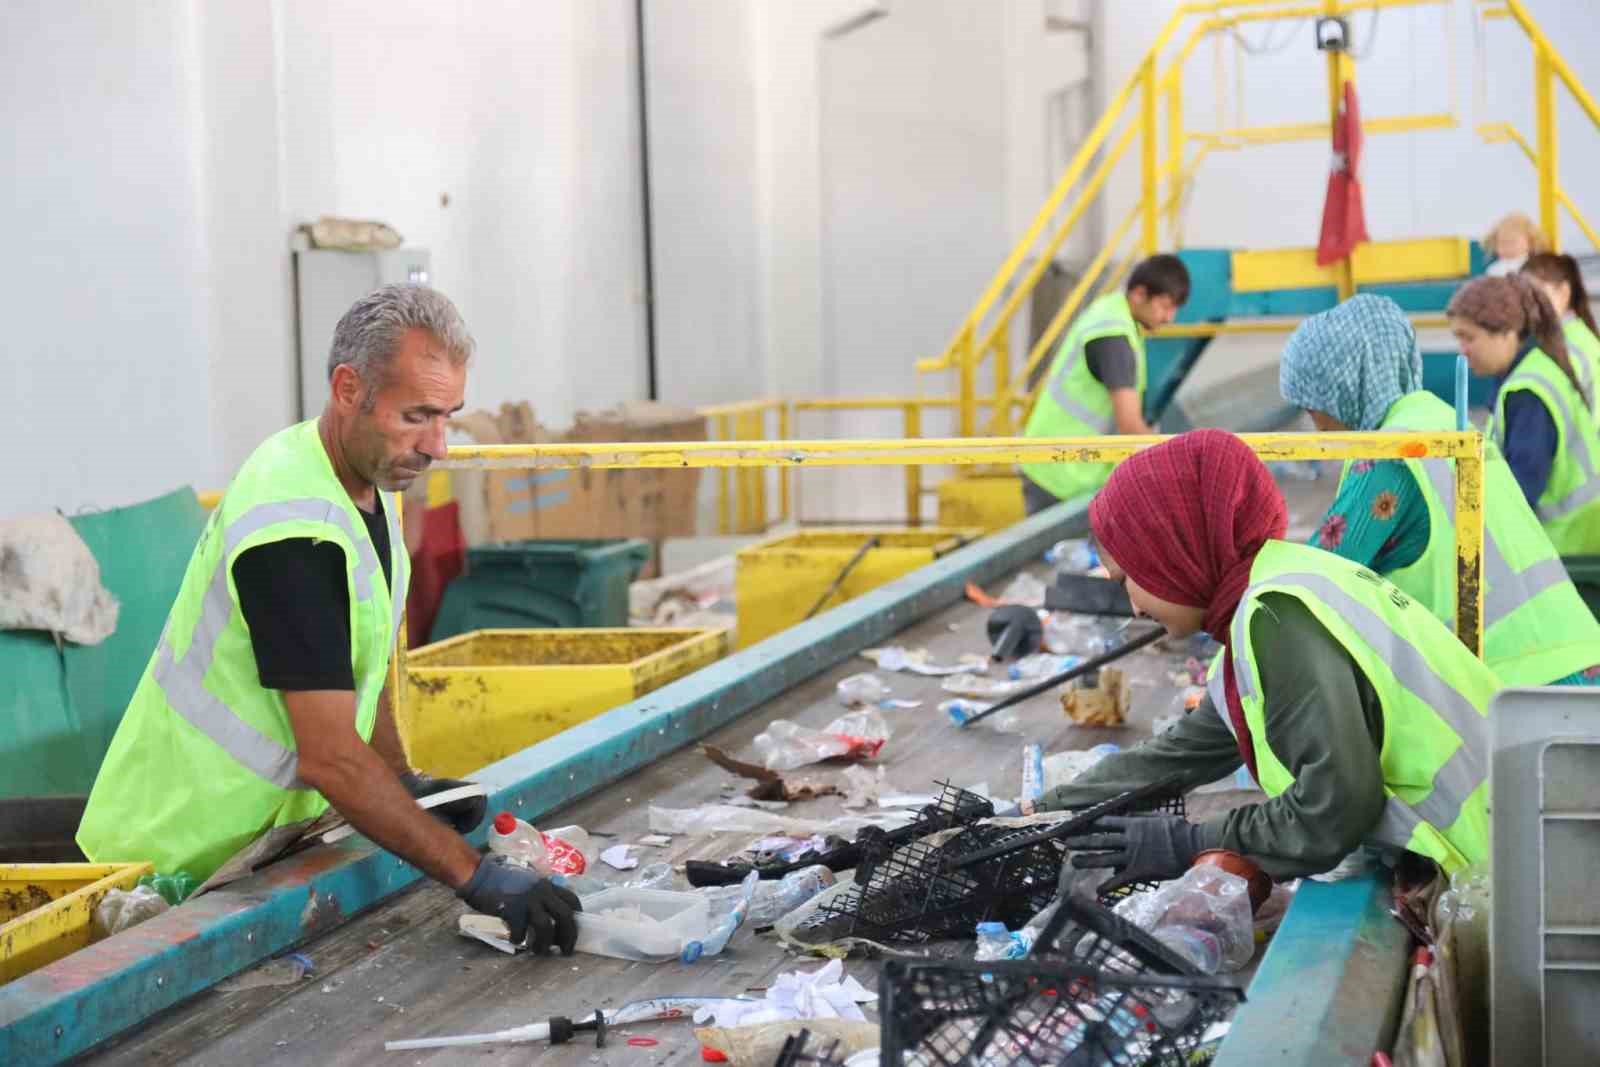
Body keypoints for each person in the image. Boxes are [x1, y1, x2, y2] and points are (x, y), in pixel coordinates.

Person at [78, 285, 581, 956]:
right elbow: (330, 756)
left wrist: (403, 780)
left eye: (449, 417)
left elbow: (357, 669)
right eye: (418, 416)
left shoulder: (357, 482)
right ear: (349, 388)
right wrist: (475, 875)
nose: (439, 446)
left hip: (255, 852)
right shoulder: (293, 528)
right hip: (170, 870)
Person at [1035, 430, 1496, 883]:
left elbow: (1336, 807)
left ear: (1172, 552)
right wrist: (1041, 812)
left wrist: (1189, 842)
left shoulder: (1277, 618)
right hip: (1494, 836)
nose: (1134, 606)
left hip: (1490, 858)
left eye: (1127, 581)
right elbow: (1179, 754)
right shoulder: (1277, 588)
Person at [1279, 294, 1600, 686]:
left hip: (1525, 687)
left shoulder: (1392, 456)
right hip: (1572, 660)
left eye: (1313, 406)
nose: (1316, 427)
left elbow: (1312, 582)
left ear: (1344, 388)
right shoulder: (1442, 422)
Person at [1019, 255, 1191, 514]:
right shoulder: (1113, 336)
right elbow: (1130, 425)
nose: (1169, 317)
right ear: (1139, 294)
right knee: (1067, 553)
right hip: (1061, 472)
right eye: (1165, 306)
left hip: (1062, 463)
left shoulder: (1113, 314)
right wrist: (1179, 464)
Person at [1448, 275, 1600, 555]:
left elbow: (1518, 496)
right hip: (1583, 535)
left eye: (1469, 337)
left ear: (1507, 332)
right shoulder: (1539, 366)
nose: (1463, 350)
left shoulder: (1526, 392)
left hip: (1565, 548)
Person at [1522, 251, 1600, 417]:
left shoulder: (1572, 348)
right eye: (1523, 297)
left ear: (1564, 292)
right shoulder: (1578, 337)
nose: (1529, 305)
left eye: (1537, 295)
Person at [1482, 211, 1548, 277]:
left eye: (1512, 242)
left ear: (1530, 243)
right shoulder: (1494, 269)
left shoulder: (1534, 267)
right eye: (1502, 243)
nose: (1507, 248)